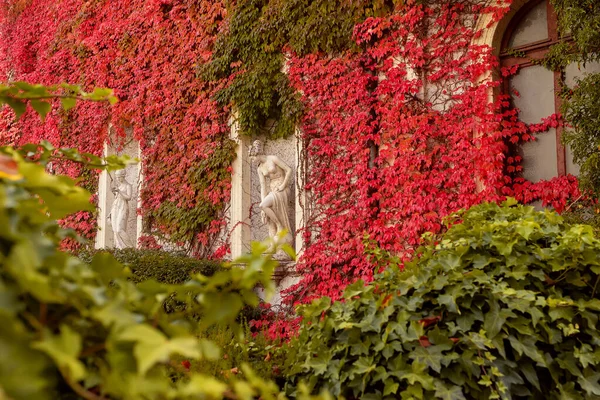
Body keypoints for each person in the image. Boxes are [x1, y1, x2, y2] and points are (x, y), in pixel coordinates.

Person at [248, 140, 293, 249]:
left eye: (253, 158)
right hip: (273, 190)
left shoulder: (272, 158)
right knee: (265, 210)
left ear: (257, 154)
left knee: (264, 206)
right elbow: (263, 187)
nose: (252, 160)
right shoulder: (260, 169)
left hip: (282, 189)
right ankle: (273, 245)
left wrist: (283, 185)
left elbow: (289, 170)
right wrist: (263, 211)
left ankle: (280, 225)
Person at [108, 169, 133, 249]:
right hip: (115, 207)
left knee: (119, 229)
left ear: (123, 176)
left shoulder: (128, 186)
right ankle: (119, 249)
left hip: (123, 207)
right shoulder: (119, 186)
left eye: (119, 177)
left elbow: (129, 197)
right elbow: (116, 198)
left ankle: (130, 247)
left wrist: (119, 191)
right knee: (115, 230)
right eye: (117, 177)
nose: (118, 179)